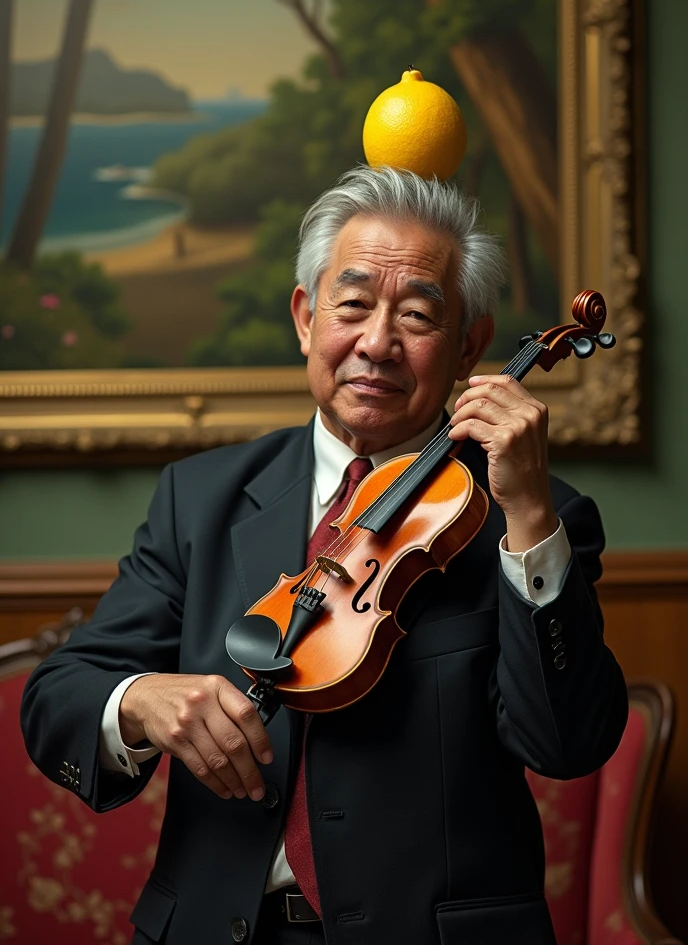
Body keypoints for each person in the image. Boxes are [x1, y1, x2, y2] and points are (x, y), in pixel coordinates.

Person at [21, 166, 628, 945]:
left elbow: (567, 745)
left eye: (417, 315)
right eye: (352, 305)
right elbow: (58, 697)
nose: (377, 343)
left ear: (470, 345)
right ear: (307, 318)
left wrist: (531, 515)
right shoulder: (199, 498)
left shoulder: (531, 514)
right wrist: (141, 702)